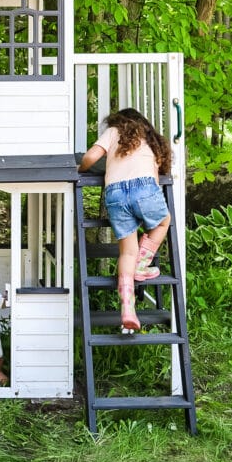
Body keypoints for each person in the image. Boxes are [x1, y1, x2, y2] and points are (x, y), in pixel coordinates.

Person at [78, 107, 172, 332]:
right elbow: (157, 170)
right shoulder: (149, 139)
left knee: (126, 252)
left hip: (116, 193)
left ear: (118, 122)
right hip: (146, 188)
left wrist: (80, 169)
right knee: (162, 222)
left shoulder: (113, 132)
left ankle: (127, 309)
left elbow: (91, 157)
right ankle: (142, 264)